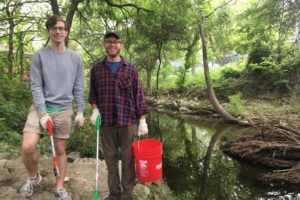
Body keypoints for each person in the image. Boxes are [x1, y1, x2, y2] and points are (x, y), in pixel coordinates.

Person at [19, 15, 84, 200]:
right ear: (48, 32)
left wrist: (80, 111)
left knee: (60, 149)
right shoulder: (40, 56)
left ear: (66, 32)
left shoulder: (75, 58)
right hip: (41, 107)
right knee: (28, 146)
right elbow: (36, 85)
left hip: (64, 110)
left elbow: (79, 86)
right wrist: (42, 113)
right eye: (54, 28)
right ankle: (34, 177)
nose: (58, 31)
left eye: (61, 28)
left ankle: (59, 186)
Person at [89, 31, 148, 200]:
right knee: (110, 159)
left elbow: (138, 94)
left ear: (120, 45)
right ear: (104, 44)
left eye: (115, 42)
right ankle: (114, 193)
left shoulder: (131, 68)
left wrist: (142, 120)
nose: (112, 44)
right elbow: (93, 94)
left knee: (128, 160)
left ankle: (127, 194)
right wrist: (95, 110)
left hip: (128, 121)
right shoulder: (97, 68)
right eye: (108, 41)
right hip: (106, 122)